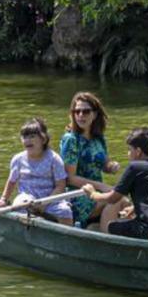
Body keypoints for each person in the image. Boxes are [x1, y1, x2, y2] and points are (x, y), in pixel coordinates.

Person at [82, 126, 148, 237]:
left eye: (129, 150)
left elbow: (113, 198)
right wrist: (134, 208)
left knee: (112, 226)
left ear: (138, 152)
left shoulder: (135, 167)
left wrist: (93, 194)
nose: (128, 154)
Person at [0, 118, 72, 222]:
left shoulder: (54, 159)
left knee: (65, 211)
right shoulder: (18, 159)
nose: (27, 140)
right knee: (20, 205)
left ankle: (65, 235)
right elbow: (11, 182)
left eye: (32, 136)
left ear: (43, 140)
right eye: (25, 137)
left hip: (50, 199)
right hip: (27, 198)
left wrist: (44, 203)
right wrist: (3, 199)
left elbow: (60, 186)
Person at [59, 91, 119, 228]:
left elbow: (104, 164)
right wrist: (102, 186)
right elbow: (70, 178)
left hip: (96, 192)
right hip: (77, 195)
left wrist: (111, 166)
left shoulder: (98, 138)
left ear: (95, 114)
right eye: (77, 111)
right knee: (116, 200)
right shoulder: (71, 140)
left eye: (85, 111)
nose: (81, 115)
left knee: (126, 202)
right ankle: (106, 238)